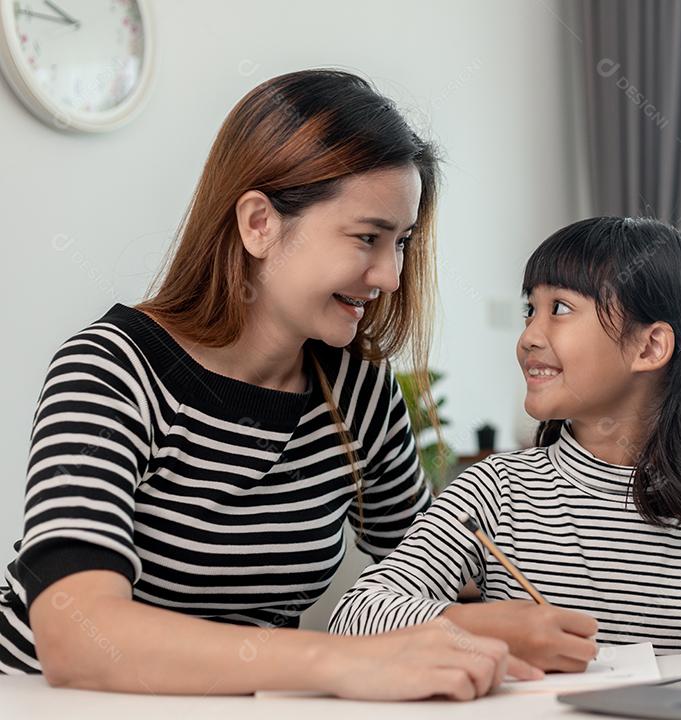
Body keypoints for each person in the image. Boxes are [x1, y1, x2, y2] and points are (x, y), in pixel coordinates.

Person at [0, 68, 539, 700]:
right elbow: (77, 638)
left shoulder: (359, 396)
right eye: (368, 237)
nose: (391, 276)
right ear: (259, 223)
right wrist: (343, 661)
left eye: (402, 243)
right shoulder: (113, 370)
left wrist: (499, 618)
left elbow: (431, 574)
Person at [329, 217, 681, 670]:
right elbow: (354, 618)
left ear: (650, 346)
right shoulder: (494, 491)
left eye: (560, 309)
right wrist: (477, 626)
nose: (528, 337)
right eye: (529, 310)